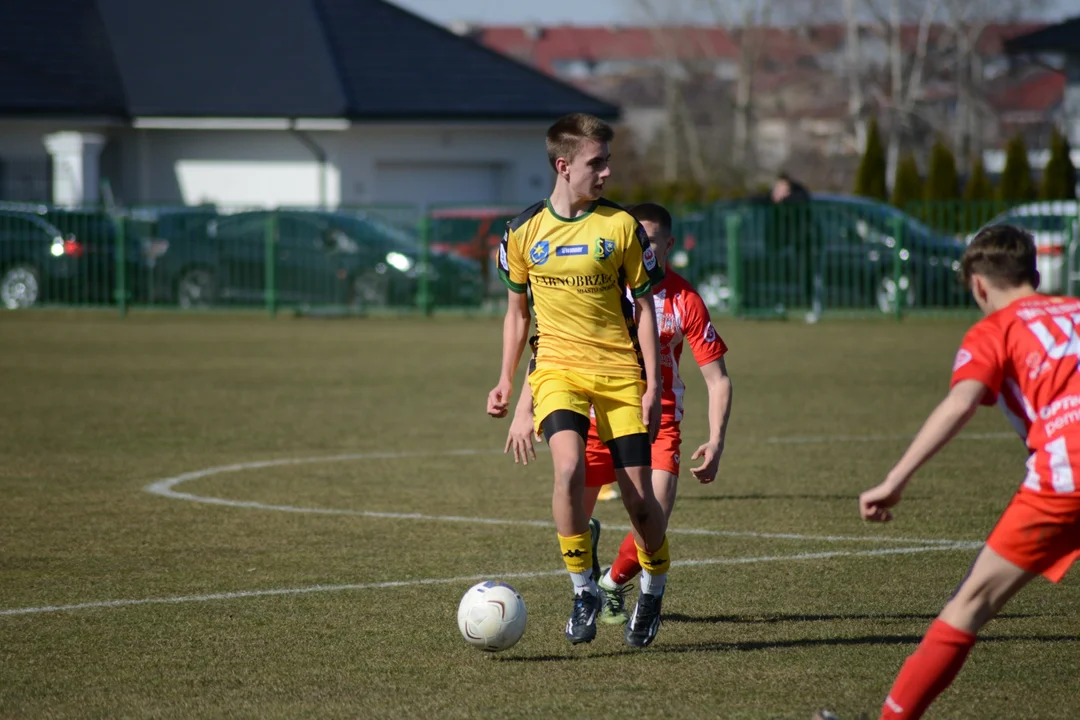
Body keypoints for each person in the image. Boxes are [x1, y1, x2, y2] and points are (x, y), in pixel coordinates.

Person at [856, 225, 1080, 719]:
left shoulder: (994, 328)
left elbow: (961, 403)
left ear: (979, 285)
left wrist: (896, 479)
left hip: (1067, 476)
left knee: (969, 604)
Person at [486, 113, 669, 648]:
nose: (608, 171)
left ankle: (654, 587)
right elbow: (518, 313)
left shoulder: (621, 227)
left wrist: (653, 385)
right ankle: (583, 589)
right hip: (557, 370)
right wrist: (505, 381)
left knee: (639, 502)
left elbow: (647, 308)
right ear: (564, 166)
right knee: (567, 469)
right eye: (598, 161)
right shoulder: (523, 230)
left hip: (618, 374)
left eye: (608, 160)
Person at [506, 201, 734, 628]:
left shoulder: (684, 300)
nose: (641, 245)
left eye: (650, 239)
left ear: (667, 245)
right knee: (570, 498)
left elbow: (718, 379)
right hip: (591, 413)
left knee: (653, 516)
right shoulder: (604, 286)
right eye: (636, 237)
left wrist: (717, 439)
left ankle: (618, 582)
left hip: (658, 419)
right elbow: (553, 347)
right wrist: (525, 404)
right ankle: (585, 588)